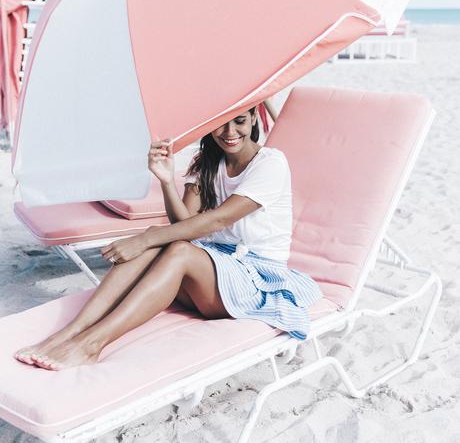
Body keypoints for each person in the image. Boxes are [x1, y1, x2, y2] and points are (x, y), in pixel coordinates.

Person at [14, 104, 322, 370]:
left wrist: (148, 238)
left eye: (240, 121)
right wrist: (165, 181)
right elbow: (185, 223)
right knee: (161, 242)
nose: (230, 132)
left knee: (167, 246)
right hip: (214, 273)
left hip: (256, 278)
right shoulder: (210, 162)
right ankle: (70, 333)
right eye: (221, 124)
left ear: (255, 118)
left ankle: (92, 345)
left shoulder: (271, 163)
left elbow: (218, 219)